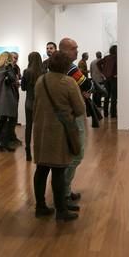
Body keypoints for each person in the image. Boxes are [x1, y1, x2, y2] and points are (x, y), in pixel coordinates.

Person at [33, 51, 85, 221]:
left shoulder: (41, 81)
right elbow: (79, 109)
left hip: (41, 130)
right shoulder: (68, 82)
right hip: (59, 132)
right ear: (65, 65)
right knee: (58, 171)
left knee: (41, 170)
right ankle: (61, 210)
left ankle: (40, 206)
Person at [58, 38, 92, 209]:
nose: (76, 51)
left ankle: (64, 190)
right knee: (77, 153)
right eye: (73, 48)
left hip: (60, 116)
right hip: (72, 114)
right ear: (63, 50)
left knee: (66, 154)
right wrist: (84, 90)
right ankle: (63, 192)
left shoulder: (51, 68)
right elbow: (88, 84)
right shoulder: (71, 68)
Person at [0, 52, 18, 152]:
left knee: (2, 121)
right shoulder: (7, 68)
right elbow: (13, 79)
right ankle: (4, 143)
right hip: (6, 98)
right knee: (6, 121)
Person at [21, 51, 43, 162]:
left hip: (29, 102)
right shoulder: (43, 72)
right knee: (39, 127)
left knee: (28, 126)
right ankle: (39, 151)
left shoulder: (26, 72)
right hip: (40, 103)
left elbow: (23, 88)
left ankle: (28, 151)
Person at [98, 45, 118, 118]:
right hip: (113, 79)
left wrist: (103, 72)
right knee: (113, 97)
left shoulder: (107, 57)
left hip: (107, 79)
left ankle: (106, 114)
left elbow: (98, 63)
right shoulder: (116, 57)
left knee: (107, 96)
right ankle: (113, 114)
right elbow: (99, 64)